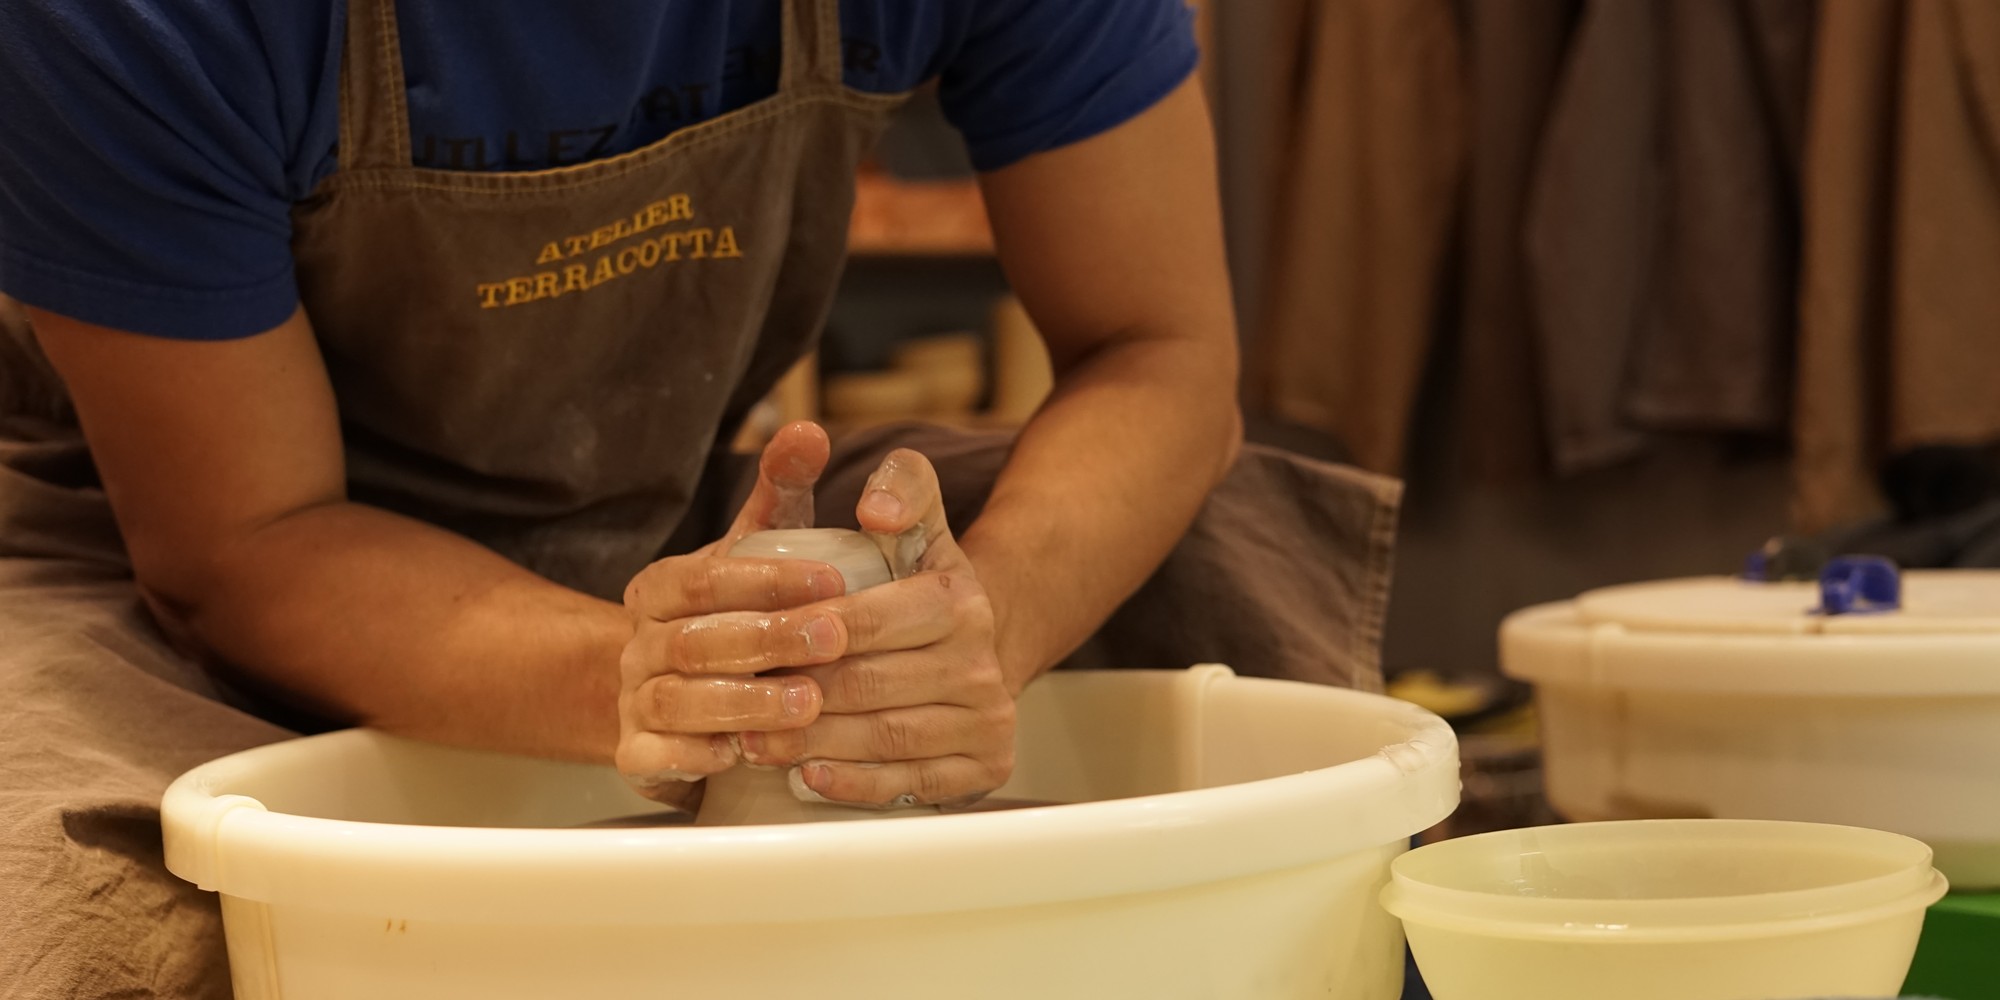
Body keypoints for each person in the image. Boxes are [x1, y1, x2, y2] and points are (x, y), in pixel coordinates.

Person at [0, 0, 1399, 994]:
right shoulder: (132, 20)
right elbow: (243, 543)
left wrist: (982, 627)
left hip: (662, 511)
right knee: (101, 919)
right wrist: (653, 680)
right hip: (142, 560)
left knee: (1208, 556)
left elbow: (1159, 354)